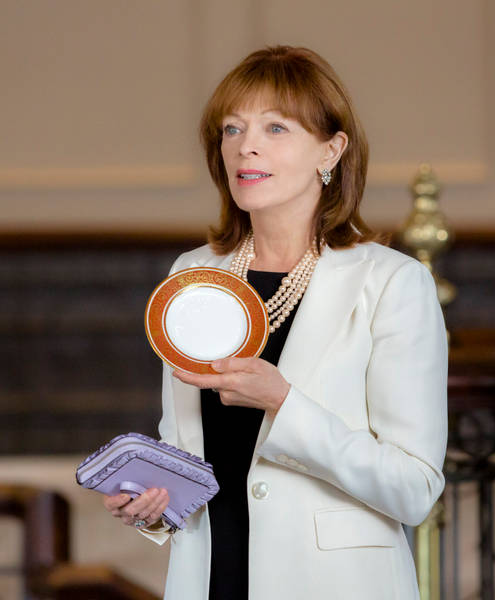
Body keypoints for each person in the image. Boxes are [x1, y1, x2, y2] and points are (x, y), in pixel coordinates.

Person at [103, 45, 448, 600]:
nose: (247, 145)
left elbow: (414, 489)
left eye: (276, 128)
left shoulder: (391, 283)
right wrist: (153, 503)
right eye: (231, 129)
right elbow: (187, 450)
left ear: (331, 150)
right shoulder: (194, 274)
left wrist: (284, 402)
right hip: (212, 581)